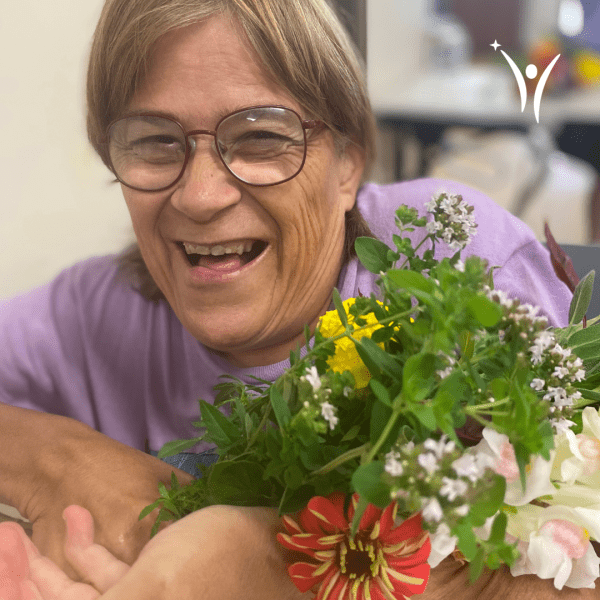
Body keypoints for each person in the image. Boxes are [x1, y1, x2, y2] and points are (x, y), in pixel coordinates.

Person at [0, 0, 578, 598]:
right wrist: (58, 458)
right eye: (155, 141)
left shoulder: (454, 267)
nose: (199, 196)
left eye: (260, 136)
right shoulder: (96, 316)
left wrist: (263, 560)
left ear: (348, 164)